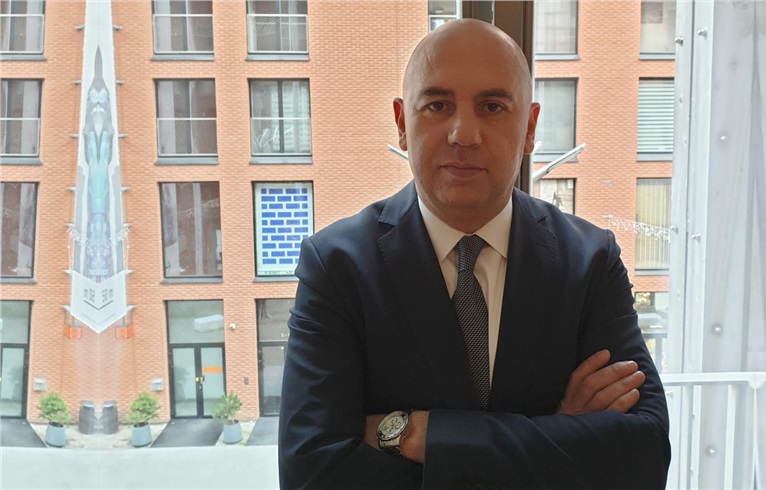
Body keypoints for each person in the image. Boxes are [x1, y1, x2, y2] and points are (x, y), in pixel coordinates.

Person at [278, 19, 670, 489]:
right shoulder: (337, 266)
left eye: (492, 106)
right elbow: (312, 475)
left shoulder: (589, 262)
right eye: (438, 105)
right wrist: (559, 436)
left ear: (529, 128)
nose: (463, 134)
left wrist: (425, 435)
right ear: (402, 123)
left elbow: (644, 455)